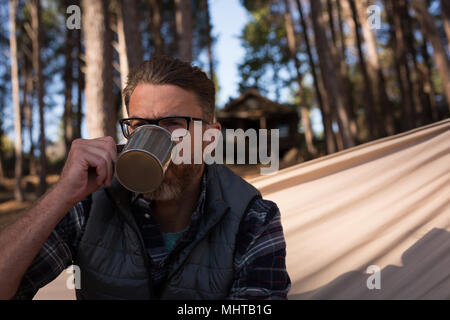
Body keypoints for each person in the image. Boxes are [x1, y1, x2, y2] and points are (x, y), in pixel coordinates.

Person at [0, 56, 290, 300]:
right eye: (139, 126)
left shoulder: (254, 219)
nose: (153, 138)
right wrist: (61, 195)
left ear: (210, 138)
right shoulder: (90, 202)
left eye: (173, 124)